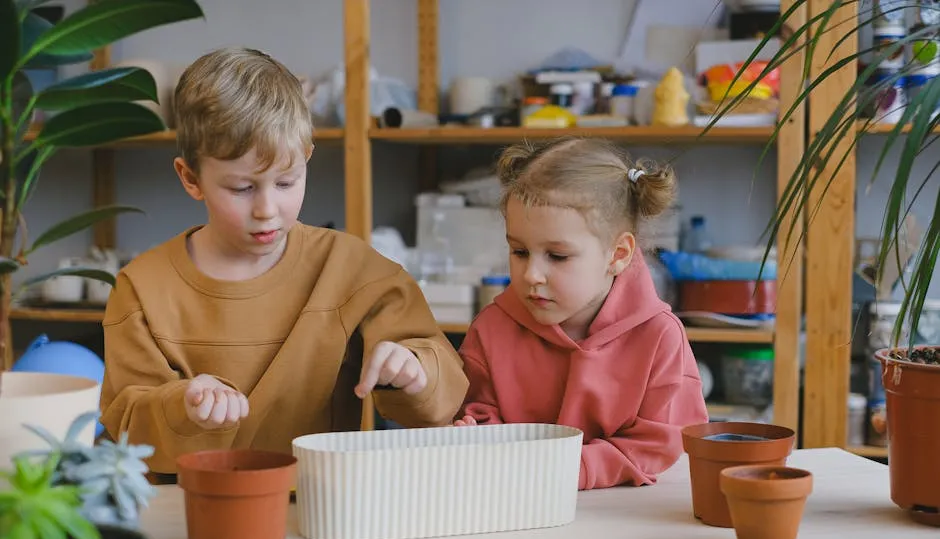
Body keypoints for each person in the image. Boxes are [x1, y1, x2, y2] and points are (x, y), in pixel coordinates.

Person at [99, 47, 468, 474]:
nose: (267, 209)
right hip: (190, 511)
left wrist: (415, 372)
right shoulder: (142, 288)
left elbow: (443, 395)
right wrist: (183, 407)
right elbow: (126, 426)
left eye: (286, 181)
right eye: (241, 188)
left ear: (307, 157)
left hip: (322, 505)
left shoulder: (353, 269)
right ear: (191, 178)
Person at [454, 137, 708, 490]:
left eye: (557, 256)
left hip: (621, 520)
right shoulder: (491, 328)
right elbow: (481, 410)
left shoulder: (660, 337)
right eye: (519, 251)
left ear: (618, 254)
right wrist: (477, 432)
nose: (531, 274)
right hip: (518, 507)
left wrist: (570, 470)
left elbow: (659, 443)